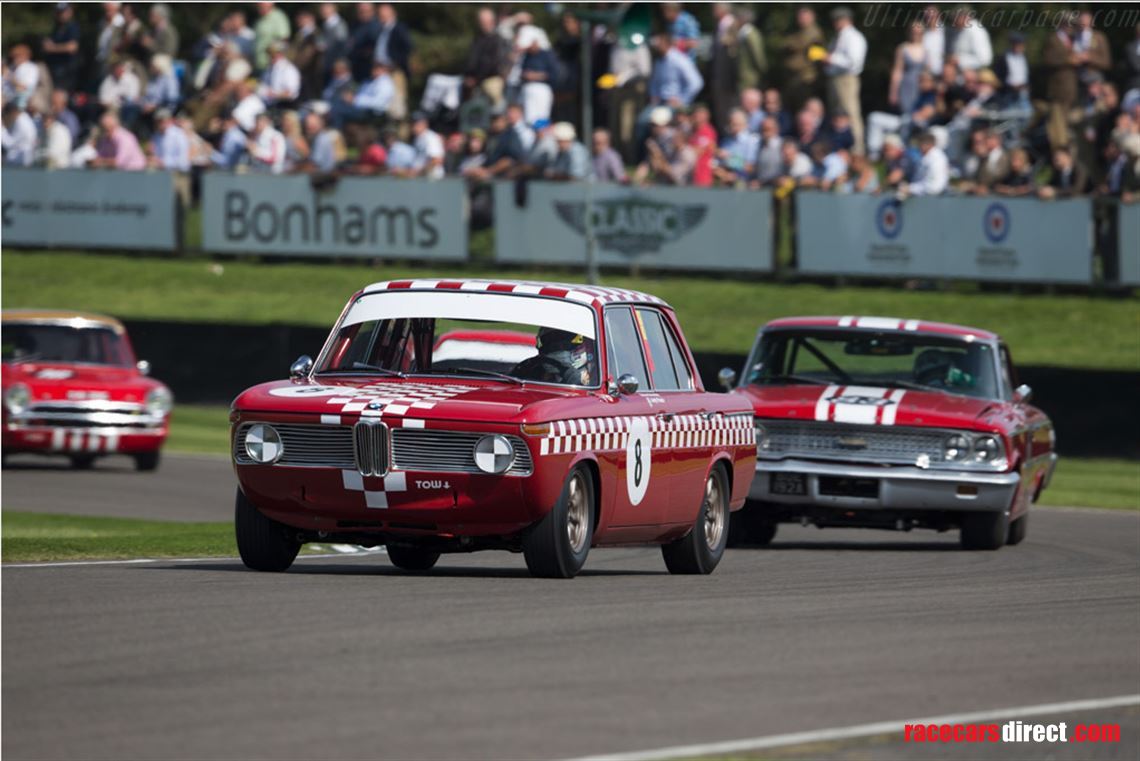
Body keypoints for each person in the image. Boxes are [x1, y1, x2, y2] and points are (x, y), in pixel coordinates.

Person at [823, 7, 867, 154]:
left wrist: (831, 58)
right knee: (837, 114)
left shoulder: (853, 37)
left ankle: (857, 148)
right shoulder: (838, 37)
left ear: (846, 19)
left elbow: (853, 62)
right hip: (835, 78)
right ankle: (839, 146)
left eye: (838, 19)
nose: (836, 23)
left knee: (850, 113)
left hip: (847, 79)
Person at [510, 328, 596, 386]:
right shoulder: (529, 368)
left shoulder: (597, 376)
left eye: (564, 343)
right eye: (549, 342)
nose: (556, 348)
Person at [782, 6, 825, 113]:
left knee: (804, 109)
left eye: (804, 16)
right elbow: (785, 44)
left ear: (812, 17)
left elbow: (816, 55)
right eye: (800, 17)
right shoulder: (798, 32)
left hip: (806, 78)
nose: (801, 19)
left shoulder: (815, 33)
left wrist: (793, 44)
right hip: (795, 77)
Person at [374, 3, 413, 119]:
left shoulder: (399, 29)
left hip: (395, 71)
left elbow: (407, 49)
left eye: (384, 14)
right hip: (381, 71)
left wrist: (392, 65)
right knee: (385, 105)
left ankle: (402, 134)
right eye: (380, 15)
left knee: (398, 107)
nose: (382, 17)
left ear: (392, 14)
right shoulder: (381, 30)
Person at [465, 7, 507, 108]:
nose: (481, 24)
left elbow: (493, 62)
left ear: (492, 21)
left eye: (484, 21)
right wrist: (468, 76)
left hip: (491, 80)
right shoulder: (478, 38)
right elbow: (472, 60)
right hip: (476, 82)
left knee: (496, 111)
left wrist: (476, 78)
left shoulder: (497, 39)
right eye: (480, 21)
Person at [516, 25, 557, 125]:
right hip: (527, 90)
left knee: (541, 120)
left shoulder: (547, 55)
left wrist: (536, 76)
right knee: (528, 120)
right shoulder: (526, 56)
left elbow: (554, 74)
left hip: (541, 90)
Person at [890, 22, 927, 116]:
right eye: (914, 32)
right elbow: (897, 71)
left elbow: (927, 71)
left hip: (920, 86)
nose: (916, 35)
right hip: (906, 85)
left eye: (919, 33)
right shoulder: (903, 48)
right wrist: (893, 91)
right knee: (905, 112)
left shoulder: (925, 50)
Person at [42, 3, 81, 92]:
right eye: (59, 12)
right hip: (55, 67)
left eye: (63, 12)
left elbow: (72, 47)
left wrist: (52, 48)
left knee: (61, 95)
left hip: (66, 69)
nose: (60, 15)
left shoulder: (72, 27)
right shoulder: (57, 27)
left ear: (70, 12)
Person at [948, 6, 992, 72]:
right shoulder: (959, 31)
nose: (953, 23)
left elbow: (985, 59)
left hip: (975, 74)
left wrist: (959, 60)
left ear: (964, 17)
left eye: (955, 19)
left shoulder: (976, 31)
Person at [905, 131, 949, 195]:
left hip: (934, 200)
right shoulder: (927, 157)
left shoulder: (937, 159)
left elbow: (935, 187)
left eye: (919, 144)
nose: (917, 147)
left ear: (928, 145)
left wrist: (911, 189)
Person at [259, 41, 301, 107]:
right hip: (268, 104)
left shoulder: (289, 70)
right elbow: (263, 85)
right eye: (269, 54)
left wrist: (272, 94)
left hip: (285, 105)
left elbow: (290, 93)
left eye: (274, 54)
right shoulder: (269, 69)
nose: (271, 56)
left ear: (281, 54)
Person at [253, 2, 291, 72]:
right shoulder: (260, 20)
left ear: (271, 4)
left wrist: (273, 55)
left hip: (271, 65)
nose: (259, 6)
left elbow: (283, 40)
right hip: (259, 63)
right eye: (258, 4)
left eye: (262, 4)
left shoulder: (278, 17)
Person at [410, 111, 445, 179]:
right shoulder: (417, 139)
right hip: (422, 178)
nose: (414, 126)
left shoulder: (431, 137)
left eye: (417, 123)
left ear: (425, 124)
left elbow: (437, 160)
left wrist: (417, 172)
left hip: (433, 178)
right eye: (413, 123)